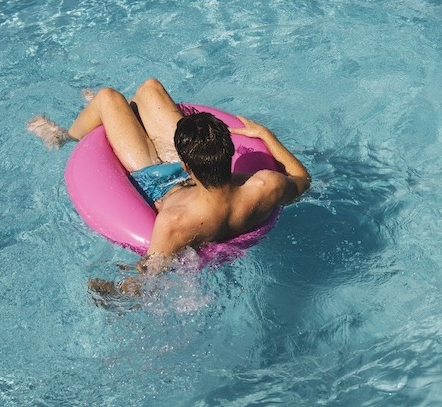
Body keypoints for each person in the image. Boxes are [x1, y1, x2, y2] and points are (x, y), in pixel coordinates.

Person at [27, 78, 311, 277]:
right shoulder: (266, 185)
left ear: (186, 164)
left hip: (154, 180)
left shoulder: (174, 222)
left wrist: (111, 288)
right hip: (199, 180)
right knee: (150, 88)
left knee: (107, 97)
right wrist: (265, 135)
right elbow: (302, 179)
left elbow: (149, 275)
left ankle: (65, 136)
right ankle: (127, 116)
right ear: (229, 150)